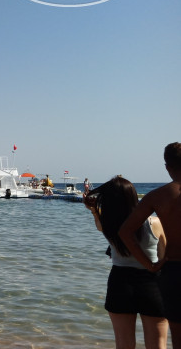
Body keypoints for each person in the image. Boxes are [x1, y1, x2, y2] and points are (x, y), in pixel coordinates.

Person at [86, 176, 167, 349]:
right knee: (157, 344)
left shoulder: (109, 226)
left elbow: (99, 224)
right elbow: (164, 257)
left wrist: (94, 210)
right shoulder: (155, 223)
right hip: (152, 283)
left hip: (120, 283)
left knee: (124, 344)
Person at [120, 142, 181, 347]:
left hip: (174, 270)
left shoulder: (157, 196)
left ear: (167, 167)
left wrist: (150, 265)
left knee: (178, 336)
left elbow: (125, 232)